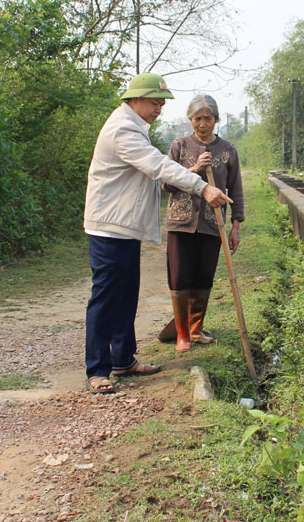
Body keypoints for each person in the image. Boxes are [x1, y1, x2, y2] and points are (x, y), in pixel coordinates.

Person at [83, 74, 232, 394]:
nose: (159, 109)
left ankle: (123, 359)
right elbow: (159, 167)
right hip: (109, 227)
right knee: (107, 297)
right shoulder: (123, 130)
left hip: (123, 226)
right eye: (155, 102)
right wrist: (203, 187)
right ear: (133, 99)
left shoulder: (134, 126)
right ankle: (97, 369)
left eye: (162, 104)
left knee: (126, 295)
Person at [162, 95, 245, 352]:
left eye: (207, 118)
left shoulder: (228, 151)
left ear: (216, 120)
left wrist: (236, 226)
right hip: (181, 222)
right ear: (190, 119)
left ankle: (196, 329)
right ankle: (182, 334)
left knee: (203, 276)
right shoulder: (179, 146)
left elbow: (237, 190)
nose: (202, 123)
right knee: (180, 276)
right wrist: (195, 168)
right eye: (197, 118)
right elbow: (166, 184)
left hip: (212, 224)